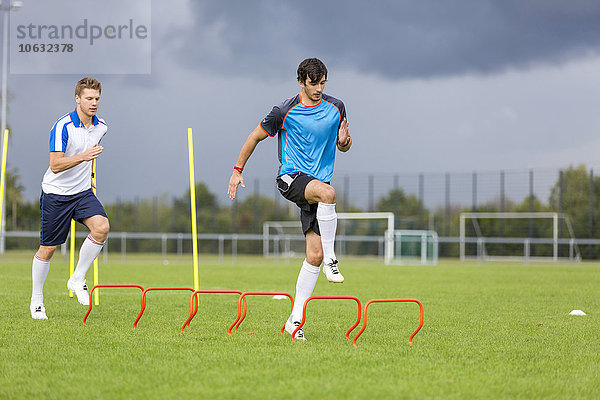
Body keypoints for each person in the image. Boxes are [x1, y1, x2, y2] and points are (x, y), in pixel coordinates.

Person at [227, 58, 352, 340]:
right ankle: (334, 259)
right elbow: (254, 137)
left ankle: (294, 323)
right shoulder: (284, 110)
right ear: (301, 82)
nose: (319, 88)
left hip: (317, 186)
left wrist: (344, 142)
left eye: (323, 82)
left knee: (313, 256)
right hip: (291, 178)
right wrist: (237, 171)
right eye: (313, 83)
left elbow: (344, 145)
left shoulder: (337, 107)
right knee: (329, 194)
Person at [30, 77, 109, 320]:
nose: (93, 103)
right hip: (56, 194)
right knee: (49, 248)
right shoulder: (62, 127)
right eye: (88, 98)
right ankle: (37, 300)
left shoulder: (102, 126)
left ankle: (77, 279)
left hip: (83, 192)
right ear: (77, 99)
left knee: (102, 228)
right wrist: (84, 158)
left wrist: (91, 173)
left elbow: (91, 153)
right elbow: (55, 165)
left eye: (96, 98)